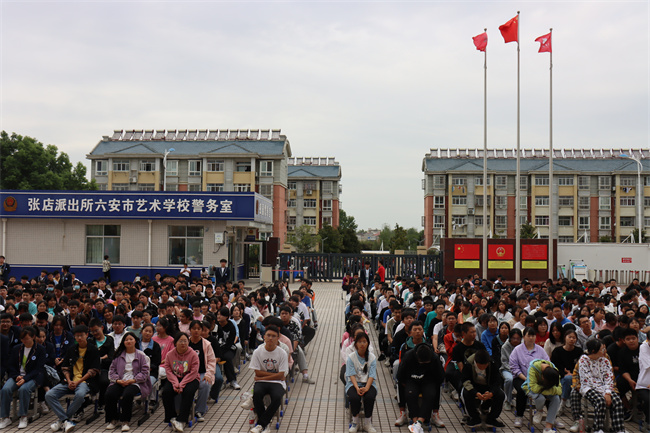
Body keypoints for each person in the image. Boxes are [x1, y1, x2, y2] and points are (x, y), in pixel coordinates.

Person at [45, 325, 100, 433]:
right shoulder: (72, 349)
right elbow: (65, 368)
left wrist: (78, 382)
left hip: (85, 381)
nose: (79, 338)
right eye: (77, 336)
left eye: (81, 335)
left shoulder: (93, 350)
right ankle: (66, 420)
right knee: (49, 395)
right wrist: (70, 381)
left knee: (80, 395)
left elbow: (93, 371)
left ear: (87, 335)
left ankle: (62, 420)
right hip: (69, 381)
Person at [0, 326, 46, 429]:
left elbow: (38, 369)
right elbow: (10, 365)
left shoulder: (40, 349)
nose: (24, 341)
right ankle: (5, 417)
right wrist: (16, 376)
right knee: (5, 389)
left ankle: (23, 416)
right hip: (17, 376)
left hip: (32, 377)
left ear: (33, 337)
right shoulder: (17, 348)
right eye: (22, 339)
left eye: (26, 339)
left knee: (24, 389)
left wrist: (25, 378)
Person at [104, 332, 152, 431]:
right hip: (120, 381)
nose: (129, 341)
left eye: (131, 339)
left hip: (135, 382)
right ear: (123, 342)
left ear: (135, 341)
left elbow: (145, 372)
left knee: (127, 395)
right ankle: (113, 419)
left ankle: (125, 421)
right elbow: (112, 371)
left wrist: (134, 380)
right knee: (109, 394)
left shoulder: (141, 355)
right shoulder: (118, 355)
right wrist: (118, 380)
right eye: (126, 340)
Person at [578, 339, 626, 433]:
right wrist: (605, 393)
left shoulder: (605, 361)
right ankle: (598, 428)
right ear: (593, 351)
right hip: (589, 387)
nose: (604, 351)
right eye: (601, 349)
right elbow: (588, 380)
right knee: (600, 401)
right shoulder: (583, 360)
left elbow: (609, 377)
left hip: (605, 388)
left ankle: (619, 429)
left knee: (617, 401)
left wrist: (607, 392)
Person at [249, 324, 288, 433]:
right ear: (264, 337)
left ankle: (261, 424)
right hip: (262, 382)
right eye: (268, 335)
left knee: (277, 397)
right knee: (257, 394)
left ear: (278, 338)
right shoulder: (258, 352)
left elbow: (281, 375)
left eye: (273, 336)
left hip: (277, 383)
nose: (270, 338)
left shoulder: (282, 353)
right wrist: (271, 375)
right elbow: (257, 372)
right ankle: (264, 425)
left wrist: (261, 376)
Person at [398, 343, 445, 433]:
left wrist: (434, 385)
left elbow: (440, 376)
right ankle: (415, 421)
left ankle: (419, 423)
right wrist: (406, 385)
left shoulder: (434, 358)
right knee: (410, 393)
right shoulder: (408, 356)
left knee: (430, 394)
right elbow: (400, 375)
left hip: (428, 381)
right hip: (412, 380)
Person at [509, 327, 549, 428]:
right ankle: (519, 416)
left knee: (550, 390)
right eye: (529, 335)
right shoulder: (517, 350)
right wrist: (526, 379)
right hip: (521, 377)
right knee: (522, 390)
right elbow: (514, 368)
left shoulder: (540, 350)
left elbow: (547, 364)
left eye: (533, 335)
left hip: (538, 379)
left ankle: (552, 418)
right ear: (524, 337)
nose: (531, 338)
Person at [162, 333, 200, 433]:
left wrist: (182, 384)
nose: (183, 343)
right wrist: (175, 383)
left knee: (188, 391)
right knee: (166, 392)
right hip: (174, 378)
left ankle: (182, 419)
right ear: (175, 343)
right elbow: (168, 370)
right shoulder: (170, 354)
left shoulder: (193, 354)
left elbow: (194, 372)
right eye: (180, 341)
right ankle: (172, 417)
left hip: (191, 379)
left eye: (185, 341)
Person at [461, 349, 506, 429]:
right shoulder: (468, 364)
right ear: (476, 362)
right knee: (466, 393)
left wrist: (491, 393)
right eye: (480, 366)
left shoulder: (493, 363)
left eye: (485, 366)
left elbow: (497, 381)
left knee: (501, 395)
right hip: (474, 386)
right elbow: (465, 380)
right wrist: (475, 393)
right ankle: (474, 417)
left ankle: (491, 418)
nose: (482, 368)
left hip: (488, 386)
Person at [345, 332, 377, 433]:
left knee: (370, 397)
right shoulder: (351, 357)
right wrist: (357, 388)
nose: (362, 344)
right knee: (354, 397)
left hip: (368, 384)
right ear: (355, 344)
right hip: (353, 384)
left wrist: (366, 388)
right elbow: (351, 375)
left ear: (368, 343)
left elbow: (372, 375)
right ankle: (355, 422)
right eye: (359, 342)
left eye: (364, 341)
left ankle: (368, 423)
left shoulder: (372, 357)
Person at [522, 357, 564, 433]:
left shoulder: (554, 371)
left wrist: (545, 390)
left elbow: (559, 390)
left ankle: (548, 428)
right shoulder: (533, 368)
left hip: (545, 389)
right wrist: (550, 390)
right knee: (540, 398)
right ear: (542, 377)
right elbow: (533, 388)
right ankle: (539, 411)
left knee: (556, 398)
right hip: (531, 389)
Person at [187, 320, 216, 421]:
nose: (196, 331)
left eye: (199, 329)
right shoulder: (186, 342)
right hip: (187, 373)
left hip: (202, 372)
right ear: (190, 330)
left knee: (205, 384)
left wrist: (208, 374)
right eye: (194, 328)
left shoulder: (207, 344)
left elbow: (211, 361)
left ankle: (199, 410)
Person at [551, 329, 583, 412]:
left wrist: (573, 374)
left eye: (574, 338)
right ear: (565, 338)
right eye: (569, 337)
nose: (572, 339)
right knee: (567, 379)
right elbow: (554, 367)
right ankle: (566, 399)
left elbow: (581, 366)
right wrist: (563, 374)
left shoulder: (579, 351)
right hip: (560, 377)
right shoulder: (557, 351)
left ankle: (563, 402)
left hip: (576, 377)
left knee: (569, 379)